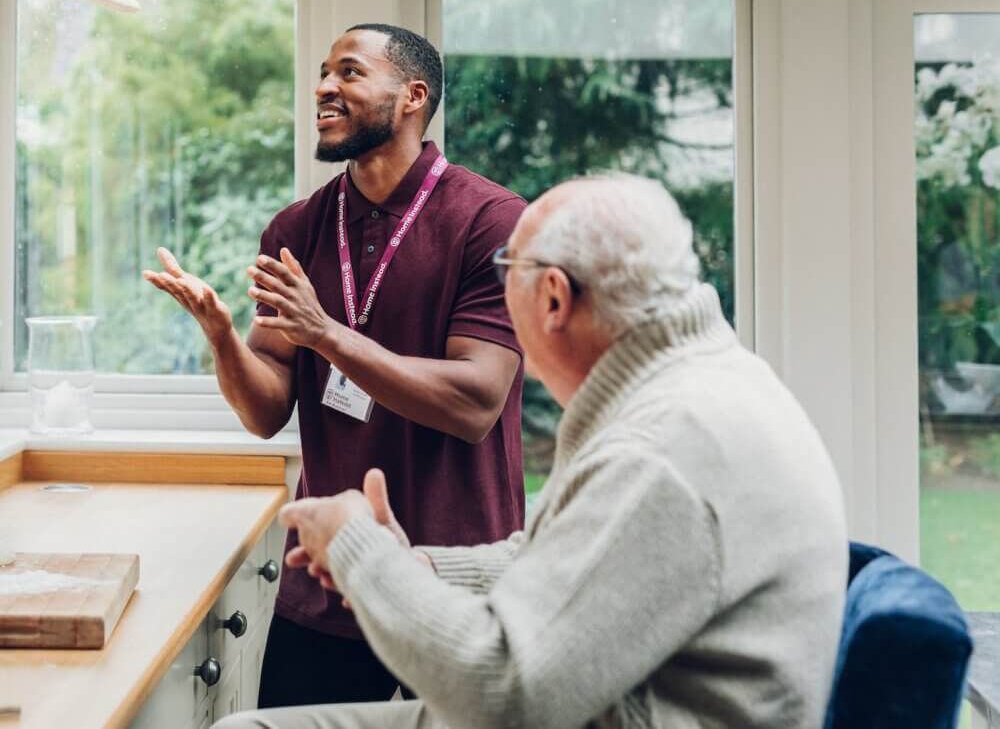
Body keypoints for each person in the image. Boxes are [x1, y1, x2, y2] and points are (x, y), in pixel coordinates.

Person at [213, 172, 849, 729]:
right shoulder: (702, 385)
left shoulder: (659, 449)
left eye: (504, 273)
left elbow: (504, 695)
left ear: (551, 298)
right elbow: (584, 559)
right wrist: (427, 568)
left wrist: (360, 550)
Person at [143, 24, 527, 708]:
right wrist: (225, 338)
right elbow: (265, 413)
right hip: (324, 588)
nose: (324, 87)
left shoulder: (492, 220)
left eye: (349, 72)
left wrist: (327, 334)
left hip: (453, 588)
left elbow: (475, 403)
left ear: (412, 96)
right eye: (323, 73)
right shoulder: (296, 229)